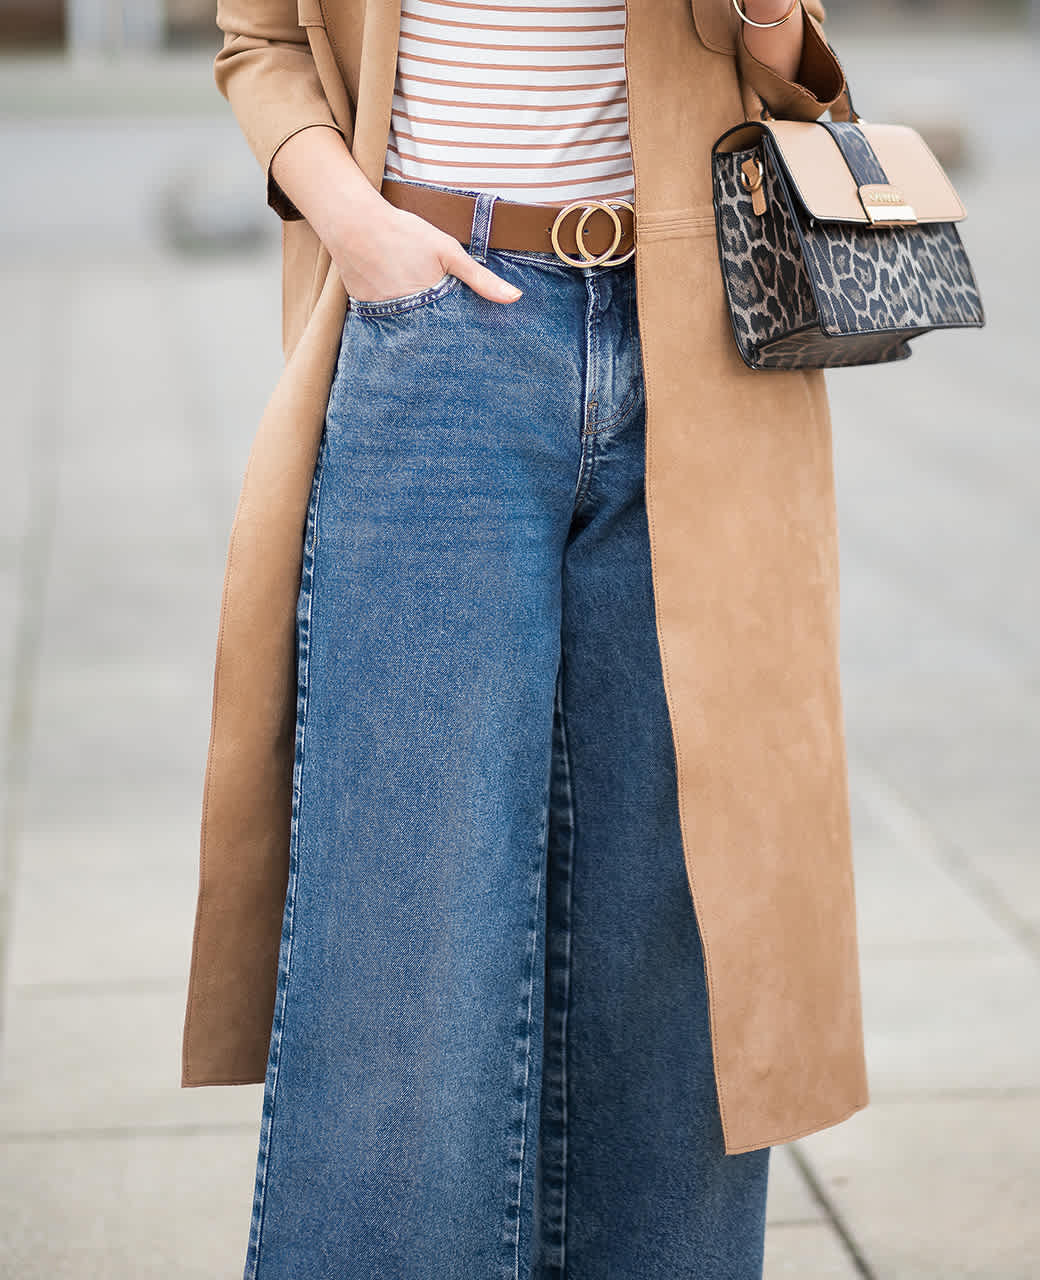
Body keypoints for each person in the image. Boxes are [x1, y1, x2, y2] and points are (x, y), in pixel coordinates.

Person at [181, 2, 871, 1277]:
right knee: (405, 912)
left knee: (678, 914)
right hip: (436, 323)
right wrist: (358, 226)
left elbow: (784, 76)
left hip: (701, 342)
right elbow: (259, 39)